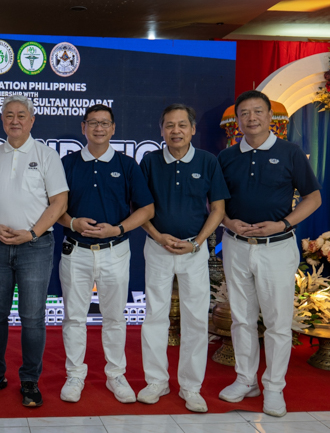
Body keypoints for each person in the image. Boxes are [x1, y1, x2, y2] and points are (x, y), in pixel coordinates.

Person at [217, 90, 322, 417]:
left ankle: (274, 388)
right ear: (238, 120)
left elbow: (313, 197)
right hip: (235, 246)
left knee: (277, 322)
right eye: (244, 113)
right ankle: (245, 379)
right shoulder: (226, 157)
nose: (251, 118)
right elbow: (214, 202)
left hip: (277, 247)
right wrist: (227, 221)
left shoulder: (290, 153)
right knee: (241, 318)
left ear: (270, 117)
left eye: (257, 112)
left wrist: (282, 224)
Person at [0, 95, 69, 407]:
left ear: (32, 120)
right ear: (2, 120)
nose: (14, 120)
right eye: (9, 115)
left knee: (32, 317)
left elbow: (59, 203)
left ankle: (30, 380)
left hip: (36, 246)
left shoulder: (46, 155)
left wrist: (31, 233)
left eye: (21, 115)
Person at [56, 104, 154, 404]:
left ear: (113, 128)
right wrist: (71, 222)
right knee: (74, 317)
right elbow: (53, 208)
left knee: (114, 317)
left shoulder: (127, 165)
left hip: (115, 250)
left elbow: (146, 208)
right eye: (93, 123)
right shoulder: (67, 163)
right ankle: (75, 375)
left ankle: (116, 375)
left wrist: (119, 229)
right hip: (76, 251)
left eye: (105, 123)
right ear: (83, 127)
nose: (99, 128)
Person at [138, 104, 230, 412]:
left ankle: (191, 387)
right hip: (158, 248)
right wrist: (157, 236)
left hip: (194, 250)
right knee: (155, 316)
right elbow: (139, 208)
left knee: (194, 319)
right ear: (161, 130)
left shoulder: (207, 161)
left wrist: (198, 242)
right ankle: (156, 382)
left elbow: (217, 209)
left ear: (191, 129)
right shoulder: (149, 161)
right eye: (168, 125)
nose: (175, 131)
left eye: (181, 125)